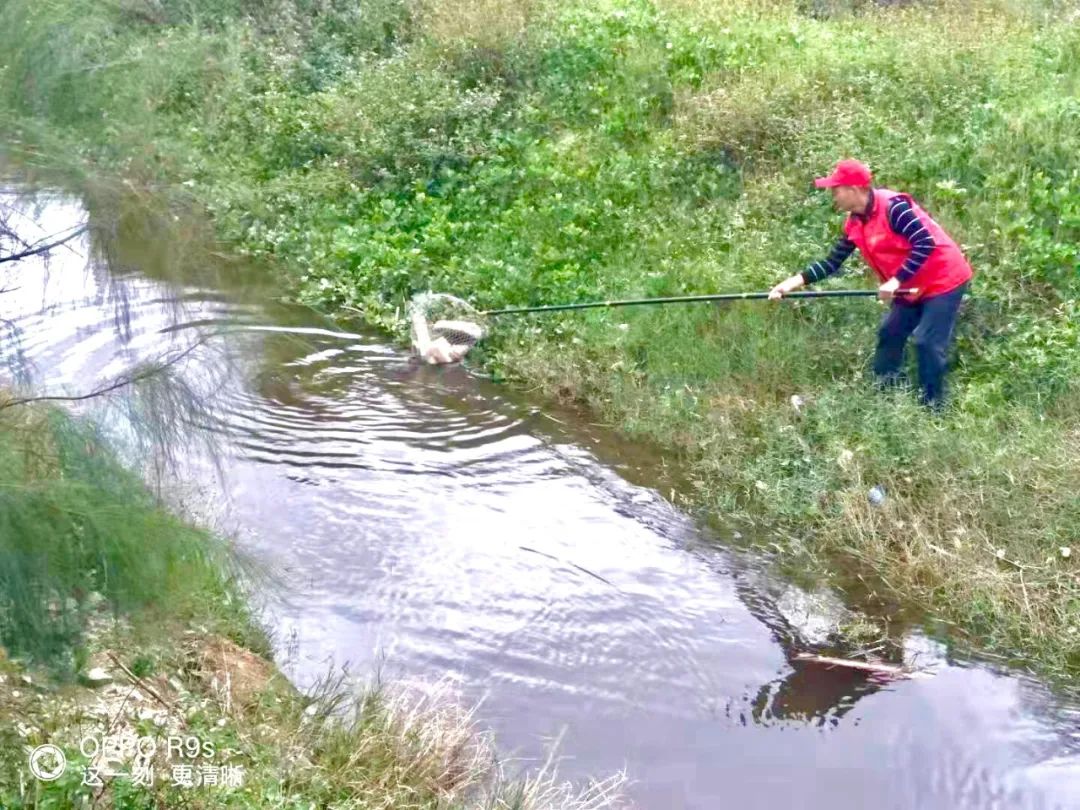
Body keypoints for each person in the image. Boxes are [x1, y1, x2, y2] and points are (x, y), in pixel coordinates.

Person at [769, 159, 972, 409]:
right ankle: (886, 396)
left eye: (836, 189)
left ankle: (934, 409)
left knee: (926, 342)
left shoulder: (893, 208)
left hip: (943, 279)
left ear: (854, 189)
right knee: (890, 333)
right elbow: (833, 262)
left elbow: (924, 242)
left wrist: (895, 280)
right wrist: (790, 284)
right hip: (909, 286)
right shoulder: (854, 222)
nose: (833, 195)